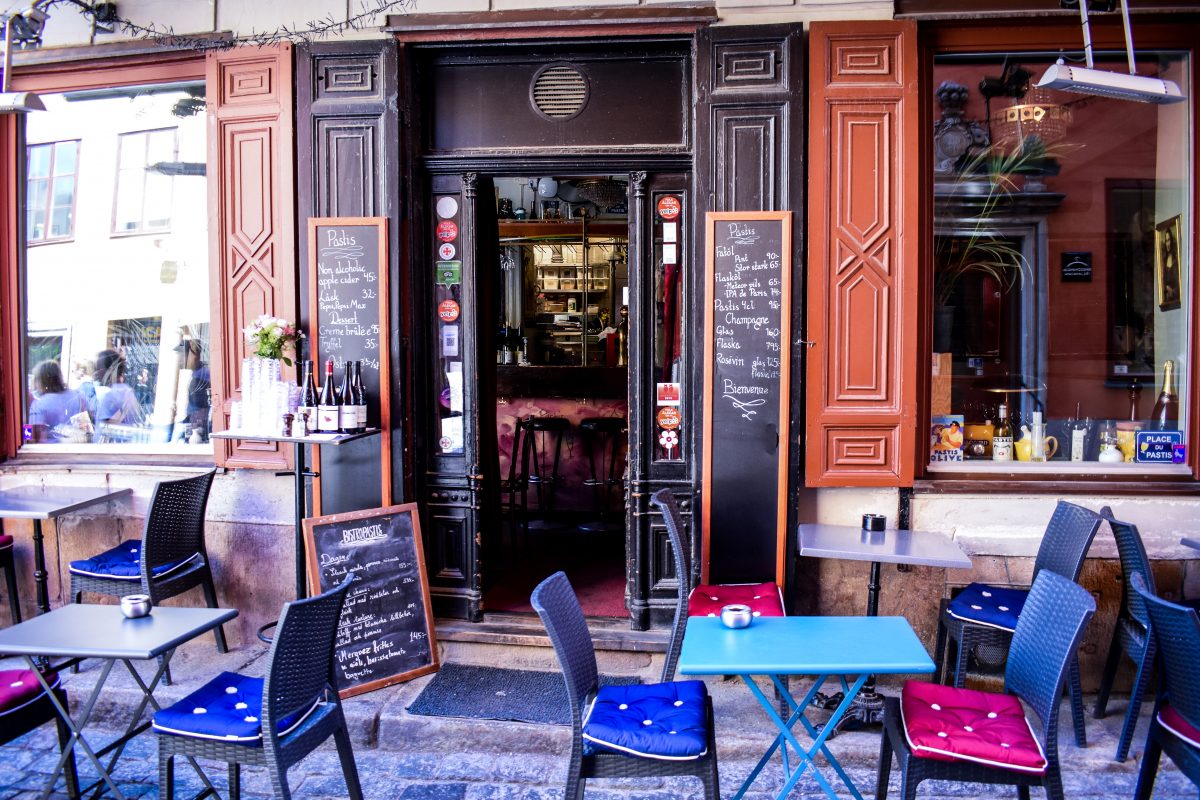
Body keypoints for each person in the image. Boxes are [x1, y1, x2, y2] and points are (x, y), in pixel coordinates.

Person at [28, 360, 86, 443]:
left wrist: (23, 439)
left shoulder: (38, 404)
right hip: (77, 449)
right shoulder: (79, 396)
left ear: (41, 380)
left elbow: (32, 437)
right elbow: (85, 428)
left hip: (49, 452)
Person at [94, 348, 142, 429]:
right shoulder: (125, 390)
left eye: (99, 369)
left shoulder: (112, 394)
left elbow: (106, 428)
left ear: (110, 370)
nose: (97, 373)